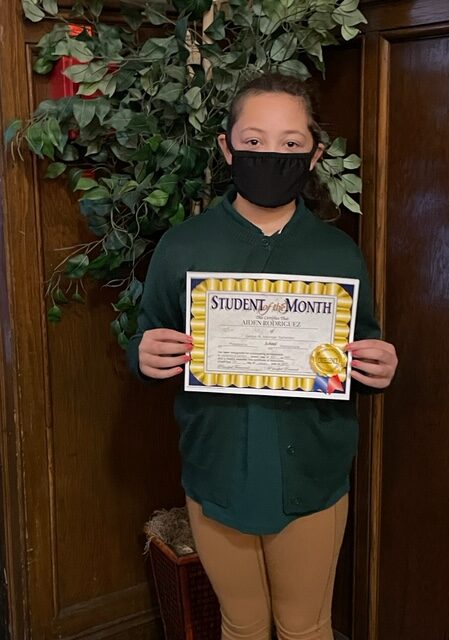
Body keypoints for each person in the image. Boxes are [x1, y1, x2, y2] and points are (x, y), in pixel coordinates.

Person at [128, 73, 398, 640]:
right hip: (217, 469)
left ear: (314, 155)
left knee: (305, 628)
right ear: (227, 147)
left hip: (312, 475)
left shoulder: (338, 253)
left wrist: (377, 368)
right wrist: (144, 355)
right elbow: (150, 338)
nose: (270, 154)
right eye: (253, 140)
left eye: (290, 143)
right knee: (241, 624)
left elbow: (360, 349)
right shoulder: (183, 246)